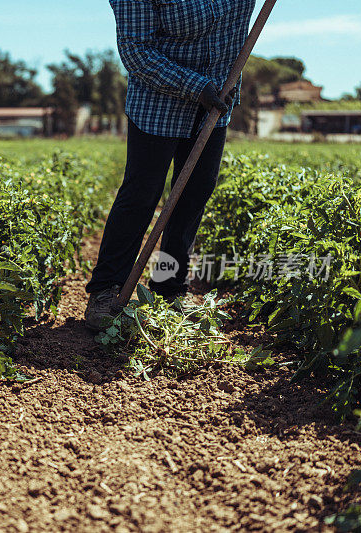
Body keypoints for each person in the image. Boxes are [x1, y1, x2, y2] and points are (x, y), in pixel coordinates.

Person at [84, 0, 256, 331]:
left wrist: (211, 91)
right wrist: (196, 87)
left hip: (215, 102)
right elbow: (137, 54)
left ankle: (169, 287)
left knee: (193, 195)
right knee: (141, 194)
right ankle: (106, 291)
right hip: (158, 102)